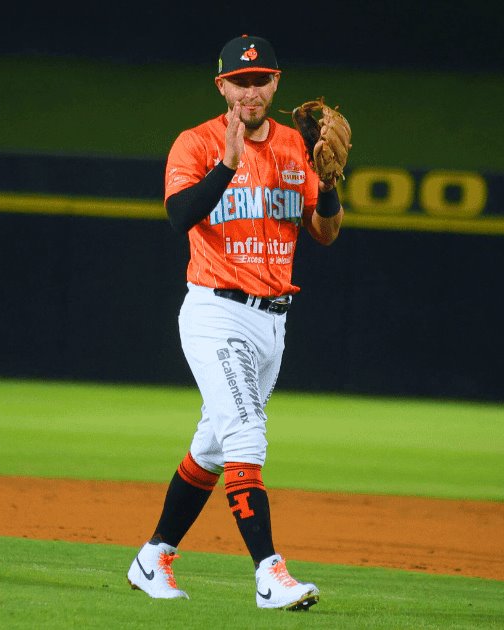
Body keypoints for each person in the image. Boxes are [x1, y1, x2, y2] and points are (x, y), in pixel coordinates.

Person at [126, 34, 343, 611]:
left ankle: (153, 557)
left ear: (276, 83)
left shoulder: (297, 146)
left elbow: (325, 232)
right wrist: (226, 164)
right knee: (247, 436)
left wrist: (331, 183)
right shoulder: (196, 143)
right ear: (221, 84)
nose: (252, 91)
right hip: (215, 310)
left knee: (216, 447)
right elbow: (179, 216)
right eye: (240, 82)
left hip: (273, 321)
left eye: (261, 80)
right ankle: (270, 575)